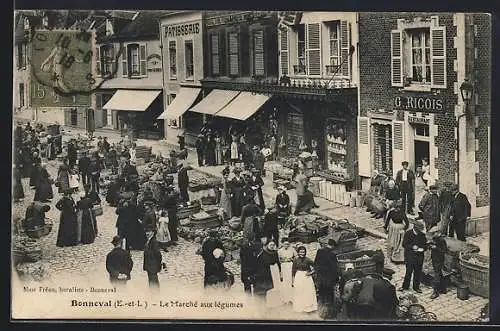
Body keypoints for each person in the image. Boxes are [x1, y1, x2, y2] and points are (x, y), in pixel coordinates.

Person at [314, 239, 341, 318]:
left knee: (322, 296)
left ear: (327, 244)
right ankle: (329, 314)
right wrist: (337, 279)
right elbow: (334, 269)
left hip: (320, 279)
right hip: (329, 280)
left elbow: (315, 263)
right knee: (329, 298)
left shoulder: (319, 251)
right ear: (332, 246)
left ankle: (321, 313)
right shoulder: (332, 255)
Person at [400, 219, 427, 293]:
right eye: (419, 229)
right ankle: (405, 286)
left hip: (419, 257)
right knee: (408, 272)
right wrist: (412, 247)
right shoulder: (408, 234)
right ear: (415, 228)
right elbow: (404, 244)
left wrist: (422, 249)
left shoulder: (422, 235)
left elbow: (425, 245)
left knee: (418, 273)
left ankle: (416, 287)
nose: (420, 231)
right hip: (410, 257)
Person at [292, 246, 317, 313]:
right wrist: (293, 280)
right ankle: (300, 307)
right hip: (298, 276)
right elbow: (293, 270)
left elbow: (316, 266)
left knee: (307, 292)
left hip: (307, 277)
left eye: (303, 252)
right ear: (298, 252)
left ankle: (308, 308)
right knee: (299, 291)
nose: (302, 253)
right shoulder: (295, 259)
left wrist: (311, 272)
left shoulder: (308, 259)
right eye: (300, 252)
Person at [426, 226, 448, 299]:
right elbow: (431, 246)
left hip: (439, 259)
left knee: (437, 274)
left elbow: (444, 251)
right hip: (434, 258)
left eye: (433, 233)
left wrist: (436, 248)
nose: (432, 235)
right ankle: (443, 288)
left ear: (438, 232)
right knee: (439, 273)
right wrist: (429, 246)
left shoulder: (442, 240)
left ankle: (435, 291)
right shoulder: (435, 238)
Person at [278, 238, 295, 304]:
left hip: (290, 266)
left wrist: (291, 259)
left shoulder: (292, 250)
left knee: (290, 281)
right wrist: (283, 260)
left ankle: (291, 298)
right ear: (282, 244)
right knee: (284, 282)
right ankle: (284, 298)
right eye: (285, 244)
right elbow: (278, 260)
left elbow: (296, 257)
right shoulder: (279, 251)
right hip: (283, 266)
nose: (286, 245)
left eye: (287, 244)